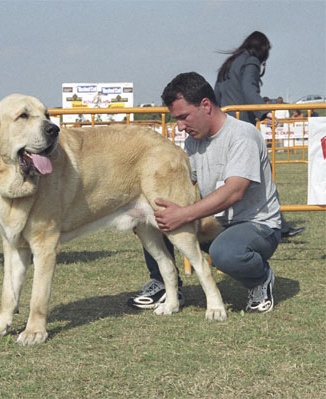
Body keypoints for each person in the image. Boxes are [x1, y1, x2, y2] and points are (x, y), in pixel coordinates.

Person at [128, 72, 281, 314]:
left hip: (257, 225)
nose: (180, 127)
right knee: (158, 213)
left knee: (225, 252)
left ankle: (261, 279)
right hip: (216, 224)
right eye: (176, 119)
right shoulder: (193, 141)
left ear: (206, 105)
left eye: (184, 117)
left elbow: (234, 192)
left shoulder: (243, 135)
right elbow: (179, 183)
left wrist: (185, 214)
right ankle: (167, 286)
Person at [214, 31, 304, 239]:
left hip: (224, 123)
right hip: (242, 127)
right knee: (263, 176)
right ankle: (278, 225)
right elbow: (249, 88)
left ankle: (228, 223)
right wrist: (264, 111)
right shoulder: (251, 61)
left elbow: (217, 92)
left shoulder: (230, 63)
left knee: (229, 178)